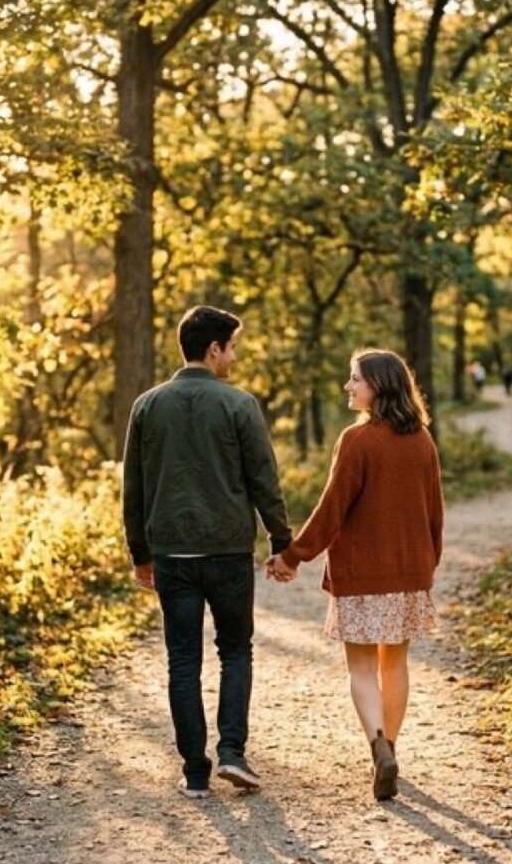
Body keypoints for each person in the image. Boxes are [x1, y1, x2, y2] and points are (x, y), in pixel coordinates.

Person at [122, 306, 292, 799]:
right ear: (213, 348)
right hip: (227, 552)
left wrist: (140, 552)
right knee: (235, 650)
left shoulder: (148, 405)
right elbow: (263, 478)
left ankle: (195, 771)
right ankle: (233, 754)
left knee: (182, 660)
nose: (234, 357)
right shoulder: (239, 405)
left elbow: (133, 487)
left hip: (172, 553)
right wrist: (281, 539)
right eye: (232, 347)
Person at [268, 349, 443, 801]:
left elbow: (332, 509)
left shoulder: (357, 441)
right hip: (409, 573)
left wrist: (293, 555)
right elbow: (434, 514)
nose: (349, 387)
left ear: (378, 386)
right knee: (396, 664)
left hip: (363, 574)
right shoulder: (423, 440)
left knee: (362, 668)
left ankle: (379, 747)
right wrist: (426, 563)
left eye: (355, 380)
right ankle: (392, 750)